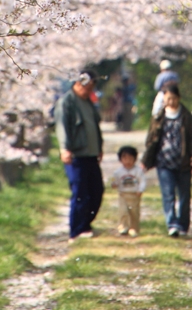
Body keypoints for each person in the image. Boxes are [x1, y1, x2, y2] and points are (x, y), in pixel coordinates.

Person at [141, 83, 192, 237]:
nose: (171, 102)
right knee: (168, 195)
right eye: (168, 98)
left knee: (184, 196)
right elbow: (151, 141)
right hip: (164, 163)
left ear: (179, 98)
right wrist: (146, 160)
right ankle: (172, 223)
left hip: (183, 163)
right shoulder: (158, 118)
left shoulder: (187, 117)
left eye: (174, 98)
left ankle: (183, 225)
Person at [54, 70, 104, 243]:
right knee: (80, 192)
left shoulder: (88, 102)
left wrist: (99, 146)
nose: (90, 90)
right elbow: (61, 127)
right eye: (87, 87)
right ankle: (76, 230)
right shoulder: (66, 102)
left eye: (92, 87)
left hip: (91, 154)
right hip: (76, 154)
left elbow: (95, 126)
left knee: (97, 191)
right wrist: (64, 148)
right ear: (77, 84)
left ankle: (86, 225)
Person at [111, 145, 146, 237]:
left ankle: (134, 228)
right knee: (123, 211)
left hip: (134, 195)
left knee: (134, 213)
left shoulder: (138, 171)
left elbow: (142, 181)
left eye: (130, 159)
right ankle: (123, 227)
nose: (128, 161)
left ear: (135, 159)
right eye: (125, 158)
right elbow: (116, 181)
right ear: (120, 160)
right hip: (123, 194)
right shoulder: (118, 172)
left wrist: (140, 190)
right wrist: (114, 184)